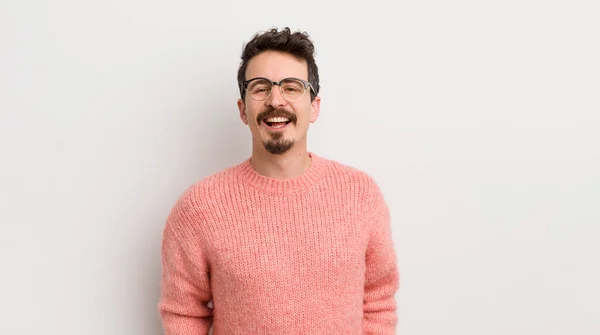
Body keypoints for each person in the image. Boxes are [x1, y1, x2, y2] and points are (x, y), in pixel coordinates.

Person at [158, 27, 400, 334]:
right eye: (260, 88)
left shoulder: (360, 195)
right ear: (243, 109)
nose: (276, 100)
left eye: (292, 87)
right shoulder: (199, 208)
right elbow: (184, 314)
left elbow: (378, 301)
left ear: (314, 106)